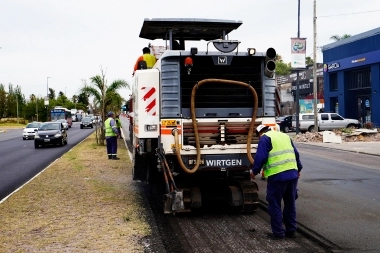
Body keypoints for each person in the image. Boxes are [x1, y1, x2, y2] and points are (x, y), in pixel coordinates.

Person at [250, 124, 302, 240]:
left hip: (278, 176)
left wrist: (254, 171)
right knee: (290, 203)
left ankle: (278, 233)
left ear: (259, 133)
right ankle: (291, 230)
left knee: (274, 204)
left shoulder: (265, 138)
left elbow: (261, 157)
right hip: (292, 174)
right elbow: (296, 154)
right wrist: (299, 169)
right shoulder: (284, 136)